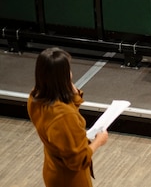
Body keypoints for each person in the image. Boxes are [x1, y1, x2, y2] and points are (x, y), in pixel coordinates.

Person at [27, 47, 109, 187]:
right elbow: (78, 160)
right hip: (70, 180)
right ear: (62, 76)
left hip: (53, 168)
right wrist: (98, 141)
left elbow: (67, 114)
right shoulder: (63, 116)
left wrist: (71, 91)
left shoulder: (35, 97)